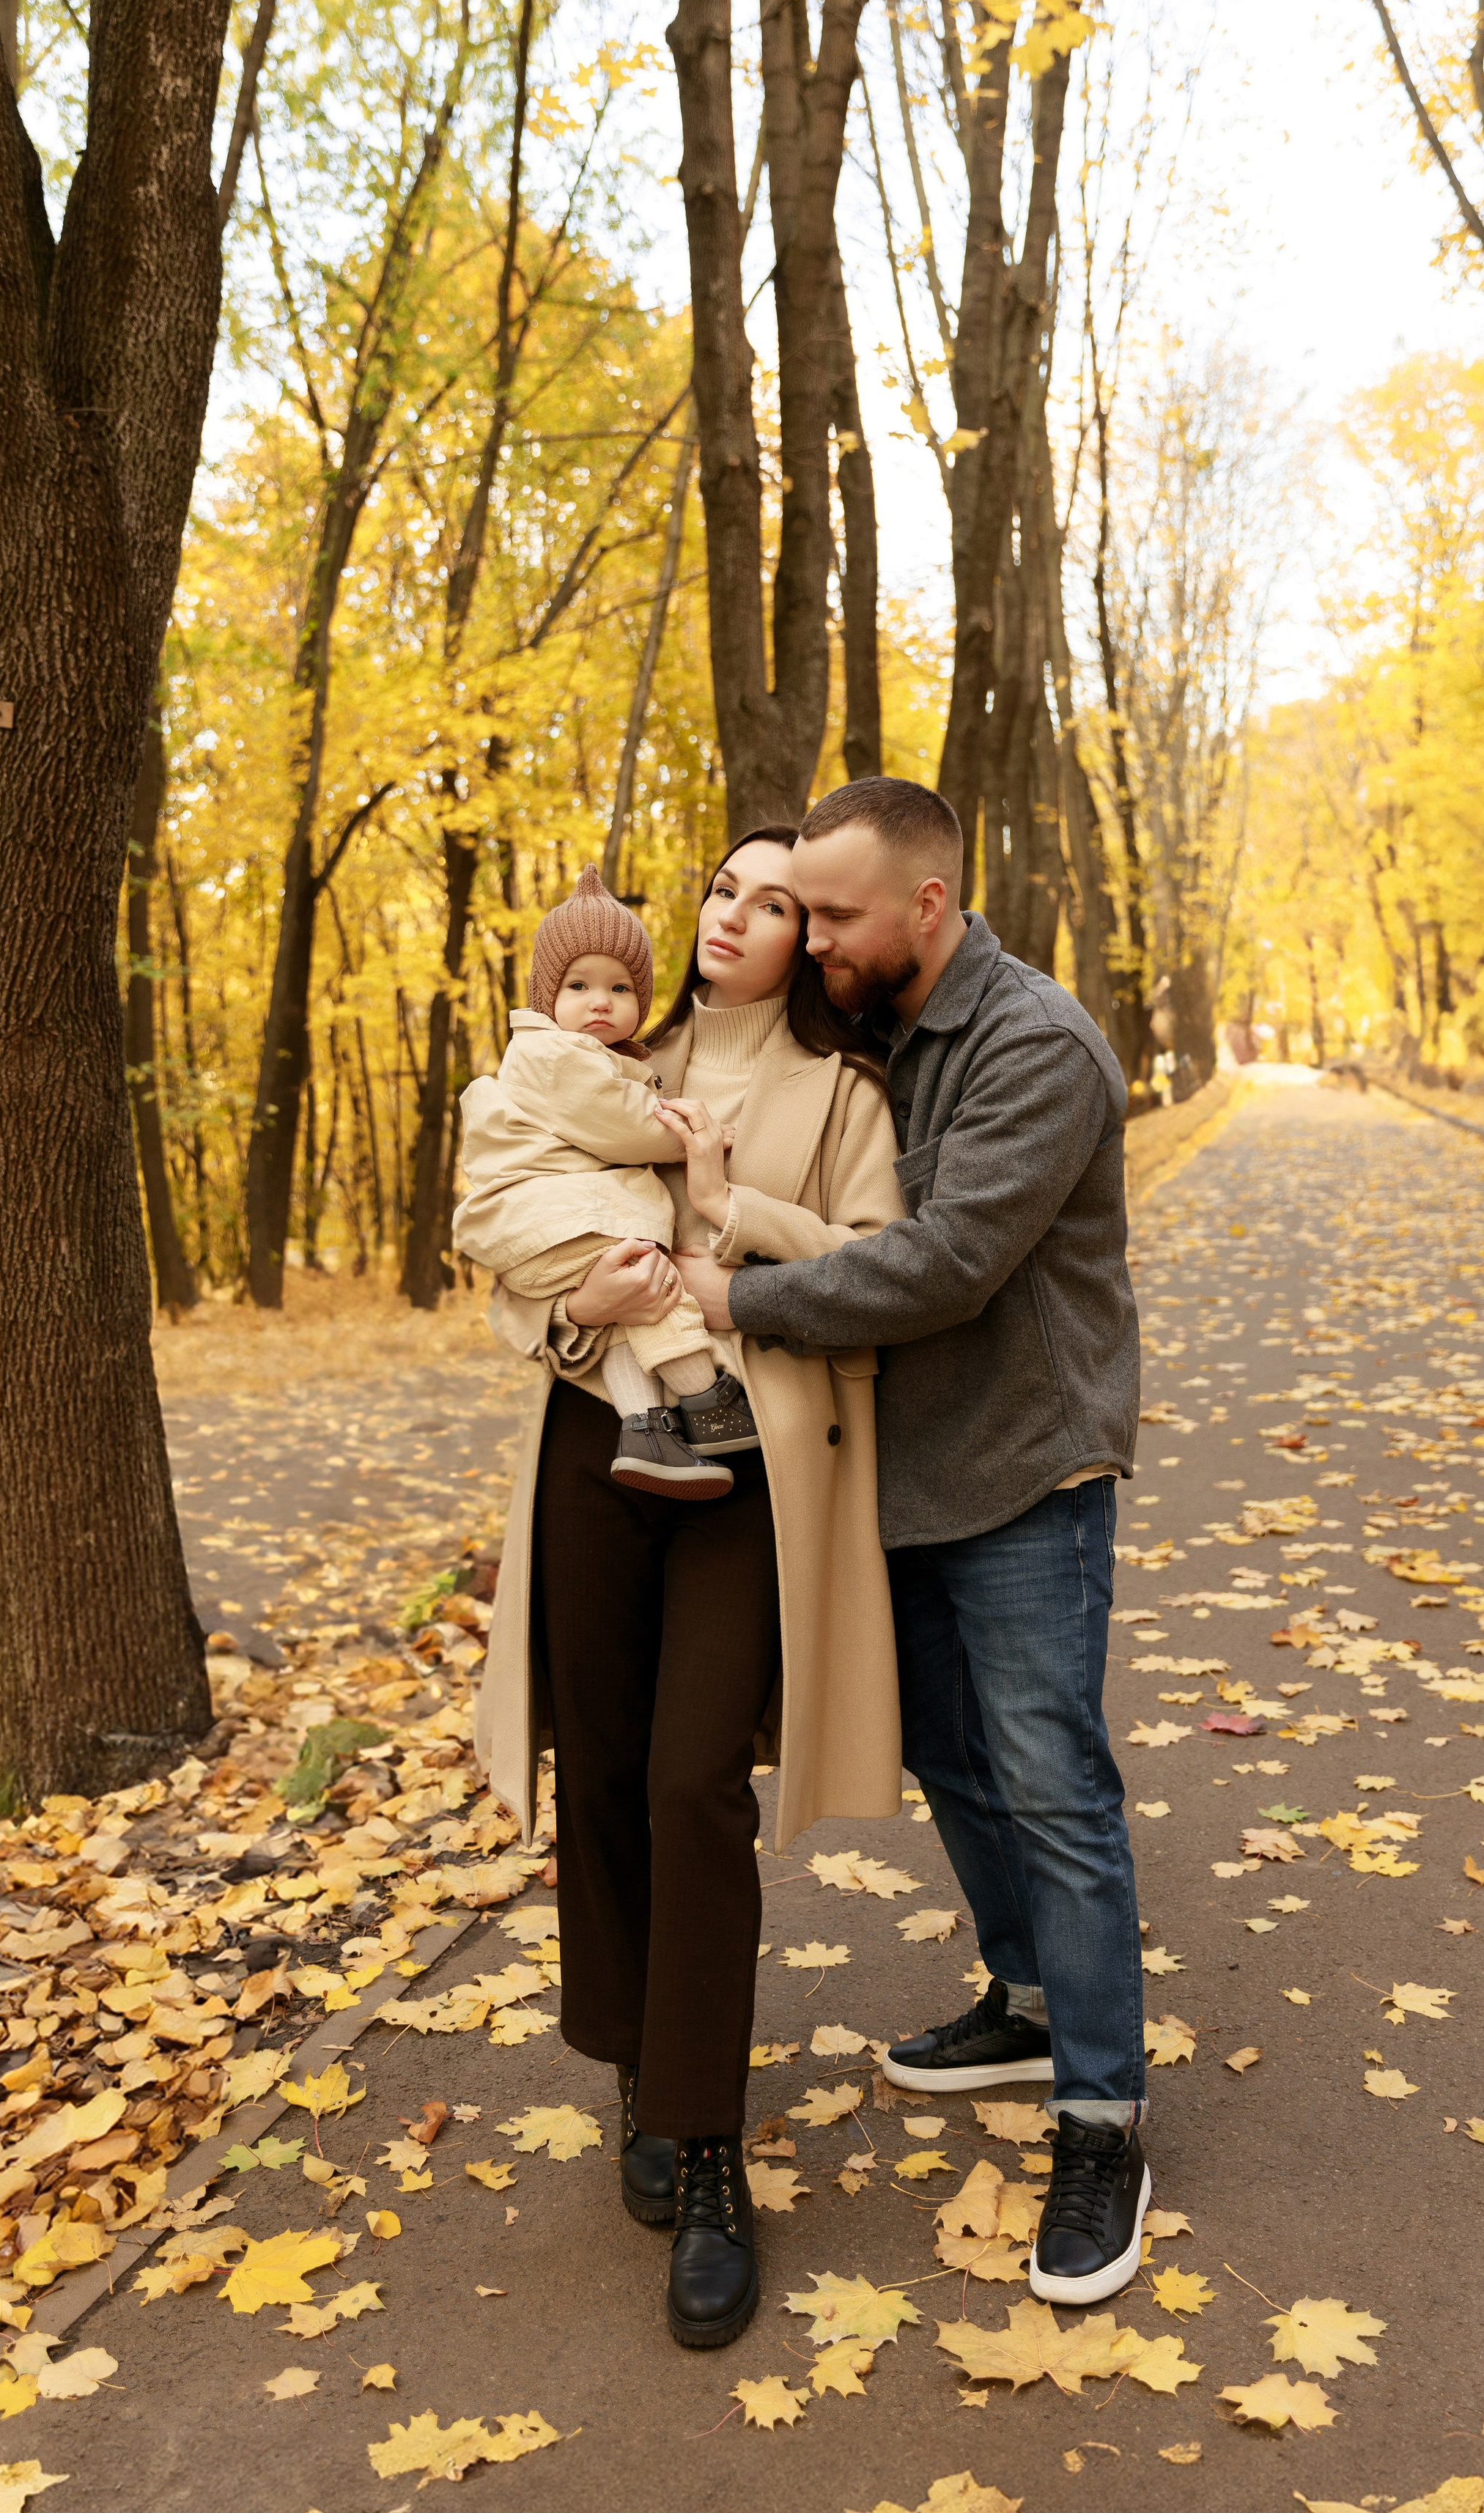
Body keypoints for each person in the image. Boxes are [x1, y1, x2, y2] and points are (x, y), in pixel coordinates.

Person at [673, 776, 1150, 2309]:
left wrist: (733, 1295)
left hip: (1022, 1463)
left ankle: (1102, 2117)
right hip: (901, 1468)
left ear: (927, 909)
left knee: (1050, 1775)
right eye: (795, 911)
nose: (807, 939)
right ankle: (1019, 1997)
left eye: (832, 915)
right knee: (952, 1751)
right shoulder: (868, 1015)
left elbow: (938, 1264)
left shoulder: (1032, 1045)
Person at [473, 825, 904, 2350]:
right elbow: (509, 1246)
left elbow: (876, 1265)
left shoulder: (841, 1091)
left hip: (748, 1475)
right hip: (593, 1443)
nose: (734, 914)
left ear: (811, 939)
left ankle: (711, 2145)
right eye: (721, 888)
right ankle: (640, 2073)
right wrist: (572, 1313)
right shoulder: (600, 1048)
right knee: (594, 1767)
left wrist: (725, 1215)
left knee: (687, 1782)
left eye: (773, 901)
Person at [452, 864, 755, 1499]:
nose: (601, 1001)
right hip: (549, 1222)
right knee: (653, 1280)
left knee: (625, 1310)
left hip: (542, 1237)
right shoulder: (551, 1055)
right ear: (546, 998)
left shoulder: (595, 1058)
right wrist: (695, 1135)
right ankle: (707, 1395)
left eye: (620, 988)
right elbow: (621, 1126)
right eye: (580, 985)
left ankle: (645, 1427)